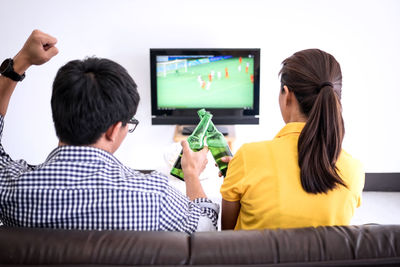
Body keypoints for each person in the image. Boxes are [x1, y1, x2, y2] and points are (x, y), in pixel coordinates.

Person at [0, 30, 218, 232]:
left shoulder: (11, 189)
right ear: (114, 130)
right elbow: (207, 228)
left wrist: (20, 63)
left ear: (58, 113)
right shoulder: (155, 196)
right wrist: (191, 174)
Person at [220, 49, 365, 230]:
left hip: (258, 259)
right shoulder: (354, 171)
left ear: (287, 94)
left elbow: (226, 235)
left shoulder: (248, 156)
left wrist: (239, 171)